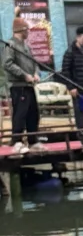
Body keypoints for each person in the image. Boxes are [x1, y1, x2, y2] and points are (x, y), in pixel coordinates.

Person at [2, 18, 47, 153]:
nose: (28, 32)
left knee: (33, 113)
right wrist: (24, 75)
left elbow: (34, 63)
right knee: (20, 113)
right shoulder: (10, 45)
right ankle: (17, 141)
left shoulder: (27, 47)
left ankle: (33, 141)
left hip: (29, 86)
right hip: (18, 86)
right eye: (27, 29)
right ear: (21, 30)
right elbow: (7, 64)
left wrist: (36, 73)